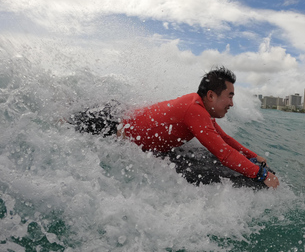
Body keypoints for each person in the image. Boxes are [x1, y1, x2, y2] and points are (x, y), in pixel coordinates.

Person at [68, 67, 279, 189]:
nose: (232, 103)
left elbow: (224, 140)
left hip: (118, 116)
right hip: (108, 123)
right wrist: (260, 175)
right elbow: (222, 154)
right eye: (230, 96)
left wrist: (253, 156)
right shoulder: (194, 110)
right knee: (63, 126)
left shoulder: (200, 109)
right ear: (211, 95)